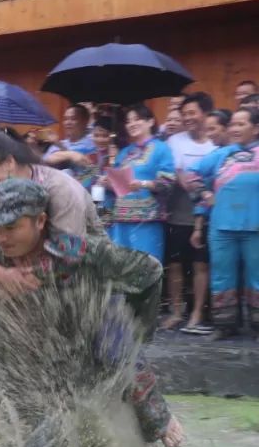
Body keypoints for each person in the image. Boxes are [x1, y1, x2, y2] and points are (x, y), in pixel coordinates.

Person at [0, 178, 184, 447]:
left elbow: (150, 272)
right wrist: (0, 273)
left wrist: (138, 330)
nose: (1, 237)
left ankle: (159, 419)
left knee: (118, 349)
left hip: (96, 321)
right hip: (39, 333)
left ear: (40, 221)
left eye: (11, 227)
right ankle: (29, 428)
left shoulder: (78, 250)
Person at [0, 130, 102, 296]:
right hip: (21, 286)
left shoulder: (60, 189)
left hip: (83, 284)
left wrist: (20, 279)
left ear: (8, 163)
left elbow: (71, 255)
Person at [188, 106, 259, 339]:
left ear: (256, 128)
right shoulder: (221, 154)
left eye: (242, 124)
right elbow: (192, 174)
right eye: (233, 124)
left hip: (255, 227)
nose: (235, 128)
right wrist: (203, 194)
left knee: (257, 276)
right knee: (222, 275)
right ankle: (225, 325)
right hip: (221, 227)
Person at [164, 92, 216, 333]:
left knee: (200, 264)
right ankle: (176, 311)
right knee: (175, 262)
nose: (187, 118)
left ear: (205, 113)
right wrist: (188, 181)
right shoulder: (175, 141)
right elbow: (175, 173)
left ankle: (197, 313)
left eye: (192, 112)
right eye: (184, 114)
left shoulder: (215, 142)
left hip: (208, 213)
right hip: (179, 210)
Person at [105, 104, 175, 264]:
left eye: (137, 119)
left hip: (147, 220)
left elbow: (168, 183)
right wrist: (107, 182)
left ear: (150, 122)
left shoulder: (162, 149)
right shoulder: (123, 153)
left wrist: (143, 183)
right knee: (121, 270)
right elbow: (116, 186)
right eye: (128, 121)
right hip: (120, 220)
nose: (132, 124)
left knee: (145, 268)